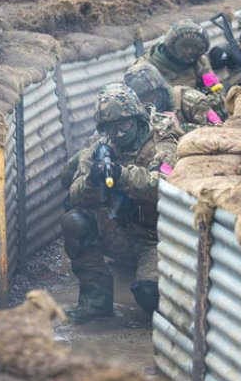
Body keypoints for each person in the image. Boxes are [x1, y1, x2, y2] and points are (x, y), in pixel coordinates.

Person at [61, 83, 183, 323]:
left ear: (137, 119)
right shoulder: (99, 145)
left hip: (156, 239)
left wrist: (122, 175)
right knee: (75, 221)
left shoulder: (162, 141)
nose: (118, 134)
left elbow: (164, 186)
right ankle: (95, 301)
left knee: (150, 297)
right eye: (111, 129)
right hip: (120, 232)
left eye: (124, 126)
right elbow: (74, 193)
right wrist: (93, 179)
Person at [124, 62, 226, 125]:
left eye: (150, 95)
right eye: (141, 98)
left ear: (160, 89)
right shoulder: (140, 114)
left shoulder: (191, 101)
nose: (146, 102)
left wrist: (178, 129)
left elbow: (217, 132)